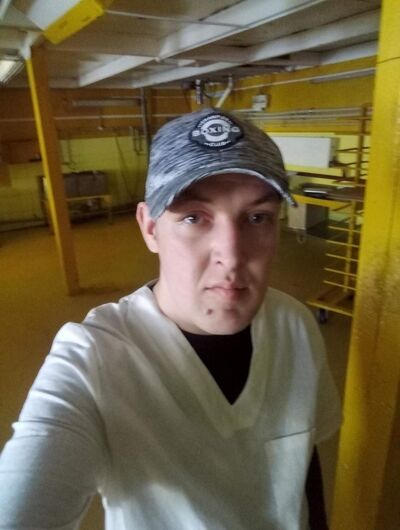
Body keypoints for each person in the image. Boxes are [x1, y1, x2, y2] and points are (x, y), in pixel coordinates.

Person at [0, 108, 341, 529]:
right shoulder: (94, 358)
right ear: (149, 228)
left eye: (257, 218)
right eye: (194, 218)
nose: (232, 256)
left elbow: (304, 460)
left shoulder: (295, 325)